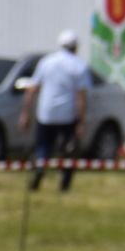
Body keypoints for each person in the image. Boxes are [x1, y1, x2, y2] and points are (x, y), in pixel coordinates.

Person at [20, 29, 91, 192]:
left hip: (46, 113)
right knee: (68, 151)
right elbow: (81, 96)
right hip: (68, 115)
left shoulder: (46, 62)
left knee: (43, 147)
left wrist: (25, 114)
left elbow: (31, 89)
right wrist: (81, 121)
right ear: (76, 47)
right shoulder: (79, 65)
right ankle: (65, 184)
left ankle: (39, 170)